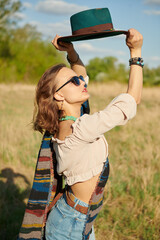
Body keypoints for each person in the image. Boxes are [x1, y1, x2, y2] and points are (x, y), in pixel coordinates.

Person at [20, 28, 143, 240]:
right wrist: (136, 52)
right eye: (74, 82)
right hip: (70, 223)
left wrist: (72, 53)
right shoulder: (81, 128)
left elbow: (81, 75)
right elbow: (133, 100)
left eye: (80, 79)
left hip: (78, 217)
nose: (82, 82)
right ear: (59, 95)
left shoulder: (66, 121)